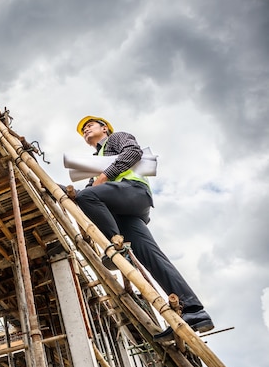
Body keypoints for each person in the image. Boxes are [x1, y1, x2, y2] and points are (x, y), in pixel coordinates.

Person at [70, 115, 213, 341]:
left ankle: (117, 248)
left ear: (104, 128)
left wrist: (105, 176)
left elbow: (133, 153)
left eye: (90, 126)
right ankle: (194, 311)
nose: (86, 130)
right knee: (153, 257)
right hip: (124, 213)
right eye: (82, 130)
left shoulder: (117, 138)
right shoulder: (94, 163)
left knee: (87, 196)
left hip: (133, 192)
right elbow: (87, 194)